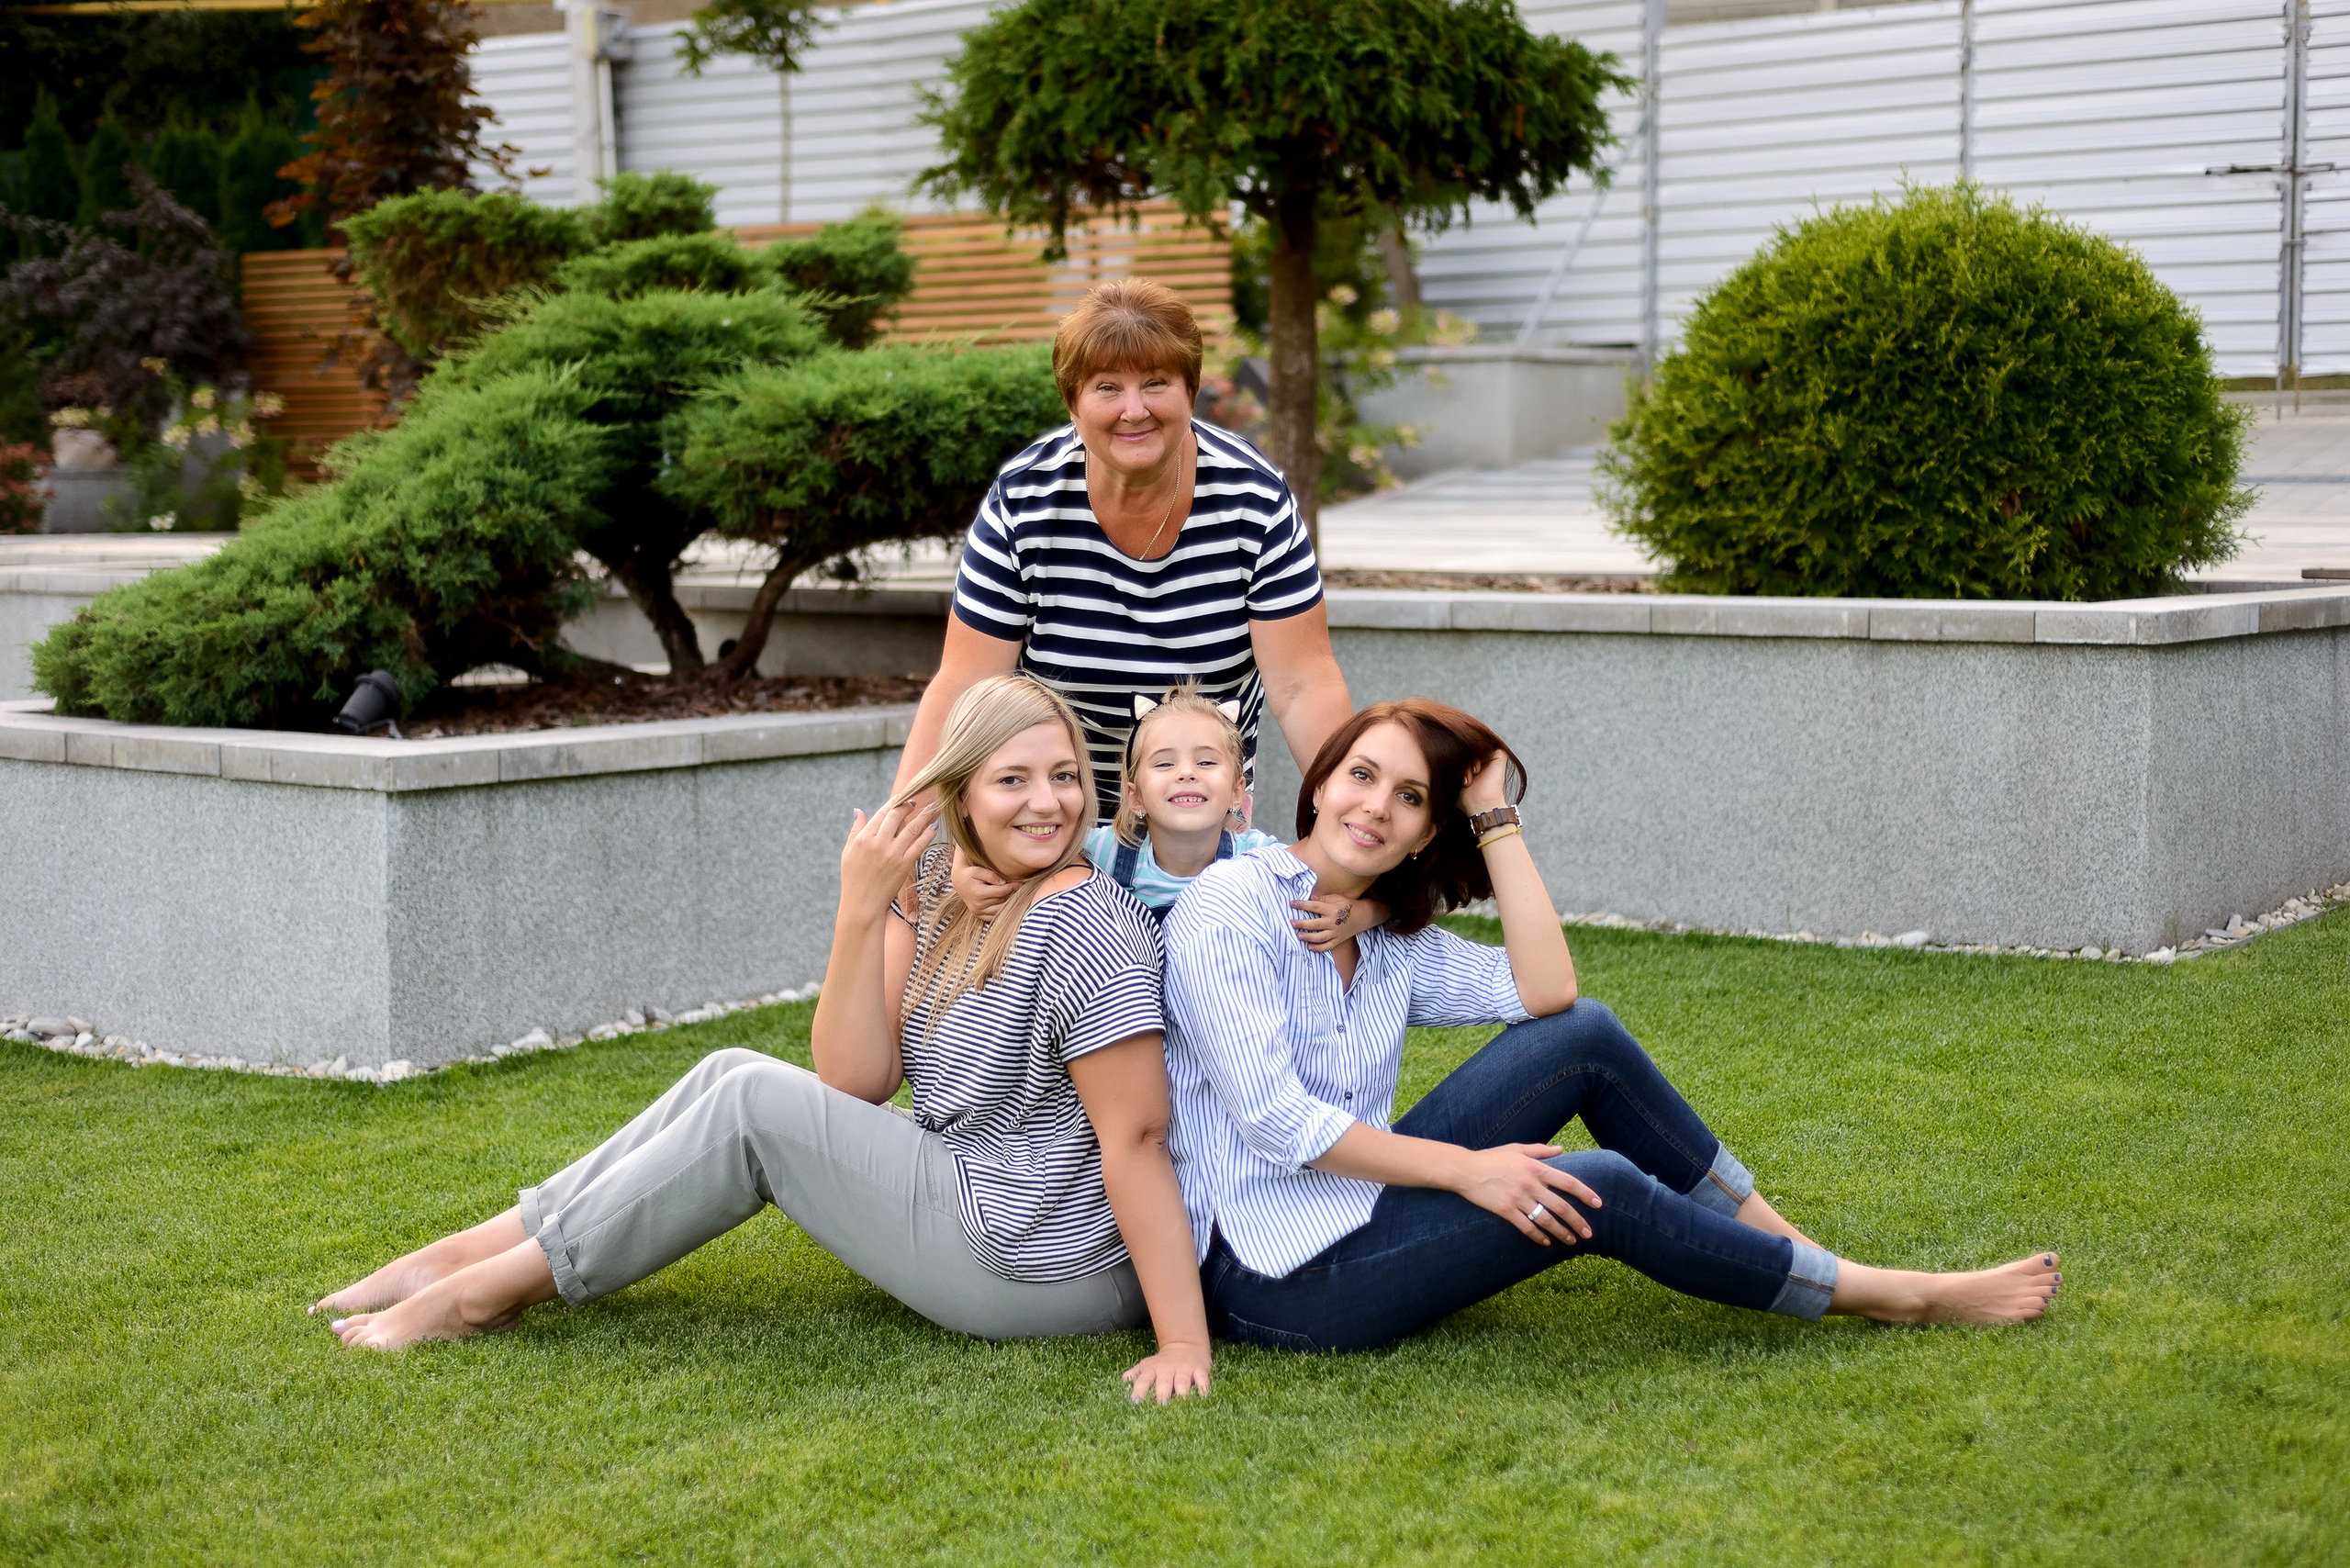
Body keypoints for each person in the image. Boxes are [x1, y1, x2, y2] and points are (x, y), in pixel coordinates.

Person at [318, 676, 1214, 1403]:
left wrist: (1180, 1338)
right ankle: (463, 1253)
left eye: (1062, 775)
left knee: (753, 1104)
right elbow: (852, 1075)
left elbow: (1135, 1139)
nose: (1047, 803)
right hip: (983, 1198)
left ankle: (479, 1296)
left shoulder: (1094, 926)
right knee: (731, 1069)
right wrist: (863, 906)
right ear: (963, 795)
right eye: (1012, 779)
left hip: (1048, 1256)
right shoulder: (944, 885)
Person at [1159, 699, 2064, 1354]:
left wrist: (1496, 818)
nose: (1374, 807)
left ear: (1427, 834)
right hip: (1273, 1276)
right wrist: (1472, 1172)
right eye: (1361, 776)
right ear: (1317, 787)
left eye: (1409, 798)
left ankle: (1792, 1246)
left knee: (1583, 1035)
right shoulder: (1230, 909)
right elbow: (1274, 1120)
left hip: (1362, 1206)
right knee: (1598, 1186)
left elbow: (1548, 989)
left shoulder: (1392, 939)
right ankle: (1889, 1296)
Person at [894, 277, 1353, 824]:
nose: (1134, 410)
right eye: (1107, 387)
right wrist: (901, 849)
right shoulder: (1025, 499)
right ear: (1073, 403)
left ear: (1191, 390)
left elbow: (1302, 684)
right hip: (1054, 828)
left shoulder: (1253, 498)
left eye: (1156, 383)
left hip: (1198, 832)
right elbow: (965, 688)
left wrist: (1350, 829)